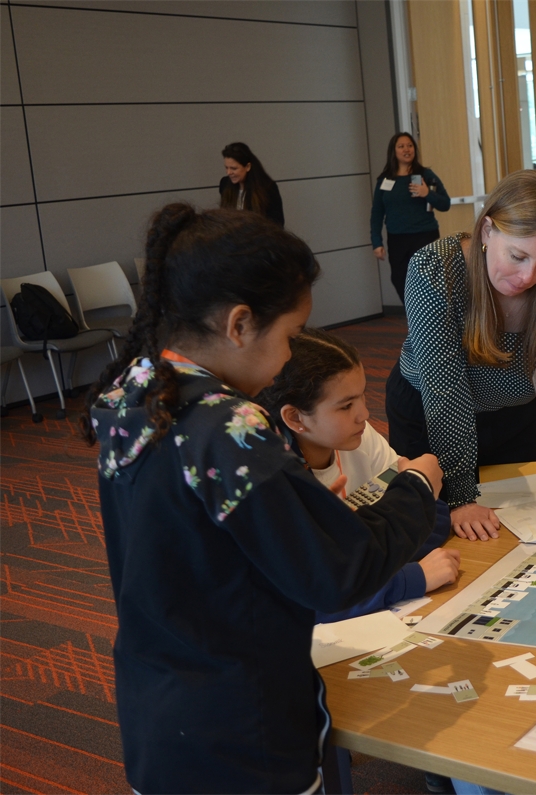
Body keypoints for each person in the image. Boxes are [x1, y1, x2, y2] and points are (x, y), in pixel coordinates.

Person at [82, 204, 443, 793]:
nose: (286, 358)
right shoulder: (229, 427)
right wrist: (415, 487)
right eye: (290, 337)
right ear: (240, 324)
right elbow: (338, 571)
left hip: (161, 707)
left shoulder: (137, 390)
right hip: (240, 729)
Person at [385, 169, 536, 542]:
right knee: (436, 534)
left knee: (511, 533)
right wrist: (459, 495)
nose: (527, 276)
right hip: (429, 415)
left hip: (512, 414)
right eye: (517, 256)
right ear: (488, 231)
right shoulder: (434, 269)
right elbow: (445, 392)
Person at [257, 327, 461, 618]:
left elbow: (432, 515)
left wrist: (361, 548)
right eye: (346, 406)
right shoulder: (272, 478)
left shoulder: (358, 437)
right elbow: (305, 602)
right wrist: (404, 578)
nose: (364, 414)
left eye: (363, 396)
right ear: (295, 417)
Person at [371, 132, 451, 304]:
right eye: (401, 146)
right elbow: (377, 212)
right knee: (400, 279)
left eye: (410, 145)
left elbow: (445, 204)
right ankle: (416, 318)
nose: (406, 149)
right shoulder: (385, 180)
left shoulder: (426, 175)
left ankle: (431, 319)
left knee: (429, 282)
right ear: (394, 151)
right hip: (397, 239)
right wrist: (376, 242)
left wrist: (427, 193)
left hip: (425, 236)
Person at [219, 141, 285, 226]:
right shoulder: (225, 184)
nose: (228, 172)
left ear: (248, 167)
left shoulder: (267, 187)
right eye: (226, 167)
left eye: (234, 168)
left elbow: (277, 224)